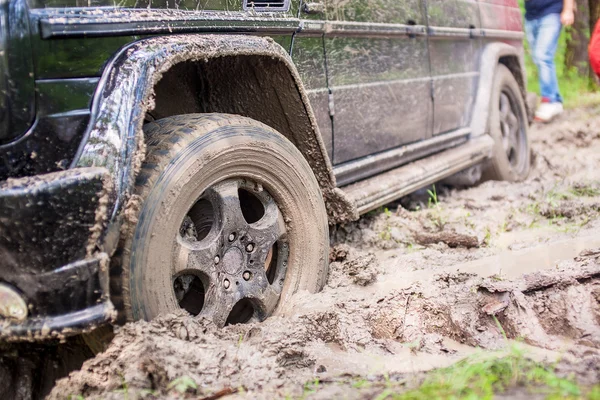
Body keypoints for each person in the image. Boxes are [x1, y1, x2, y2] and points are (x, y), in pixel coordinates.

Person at [523, 0, 574, 122]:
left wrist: (568, 10)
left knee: (543, 56)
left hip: (552, 12)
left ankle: (549, 100)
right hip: (530, 15)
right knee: (538, 58)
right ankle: (555, 101)